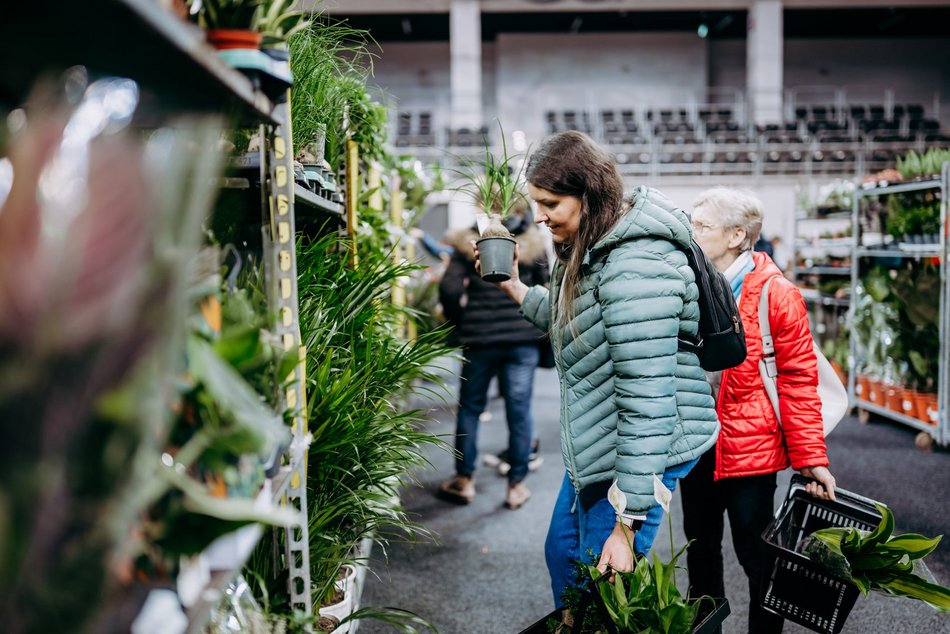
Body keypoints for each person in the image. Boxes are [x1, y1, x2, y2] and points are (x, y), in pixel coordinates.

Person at [484, 131, 719, 610]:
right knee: (564, 555)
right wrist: (514, 287)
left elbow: (648, 403)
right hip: (602, 439)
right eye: (537, 202)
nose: (539, 216)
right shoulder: (594, 245)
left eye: (550, 203)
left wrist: (626, 526)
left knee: (599, 579)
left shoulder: (637, 266)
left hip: (642, 445)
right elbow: (581, 325)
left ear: (588, 194)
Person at [680, 186, 837, 634]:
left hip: (751, 451)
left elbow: (799, 381)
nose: (692, 233)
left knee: (759, 559)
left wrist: (810, 459)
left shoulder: (776, 293)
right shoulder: (688, 286)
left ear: (736, 236)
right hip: (697, 443)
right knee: (700, 554)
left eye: (702, 226)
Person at [437, 202, 550, 510]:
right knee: (519, 410)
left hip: (480, 339)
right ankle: (516, 486)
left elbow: (449, 288)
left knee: (471, 408)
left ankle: (464, 480)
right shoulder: (532, 242)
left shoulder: (471, 242)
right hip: (522, 338)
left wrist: (462, 322)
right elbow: (546, 288)